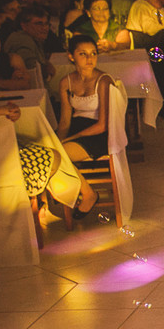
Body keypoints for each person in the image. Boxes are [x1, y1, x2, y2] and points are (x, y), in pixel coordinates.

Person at [55, 35, 108, 217]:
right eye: (83, 54)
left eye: (93, 53)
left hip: (98, 133)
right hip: (76, 129)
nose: (89, 59)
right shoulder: (66, 82)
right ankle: (81, 190)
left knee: (58, 156)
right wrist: (59, 139)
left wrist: (69, 140)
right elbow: (65, 122)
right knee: (48, 149)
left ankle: (88, 194)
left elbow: (102, 125)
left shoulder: (103, 80)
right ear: (71, 56)